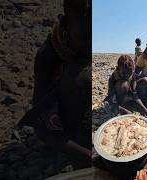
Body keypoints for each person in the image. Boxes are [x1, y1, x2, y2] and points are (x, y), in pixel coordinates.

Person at [21, 0, 92, 167]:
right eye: (84, 39)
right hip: (64, 132)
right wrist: (85, 155)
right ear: (67, 21)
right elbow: (40, 125)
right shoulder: (48, 56)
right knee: (82, 76)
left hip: (85, 117)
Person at [105, 55, 147, 120]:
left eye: (130, 72)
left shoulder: (132, 75)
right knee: (123, 84)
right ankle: (122, 105)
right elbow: (110, 99)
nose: (127, 75)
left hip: (129, 97)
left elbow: (135, 95)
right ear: (118, 68)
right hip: (118, 99)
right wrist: (121, 109)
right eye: (124, 73)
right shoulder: (113, 78)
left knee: (145, 80)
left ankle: (141, 104)